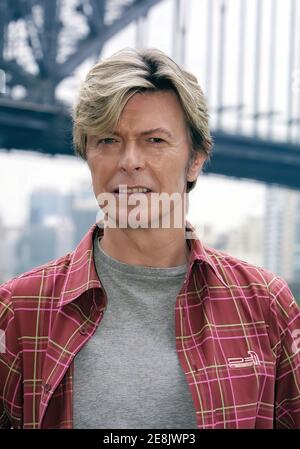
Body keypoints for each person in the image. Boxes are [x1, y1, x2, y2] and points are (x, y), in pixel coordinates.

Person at [0, 48, 300, 430]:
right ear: (87, 155)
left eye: (155, 140)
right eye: (107, 140)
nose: (129, 161)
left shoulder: (266, 305)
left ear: (195, 159)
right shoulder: (19, 311)